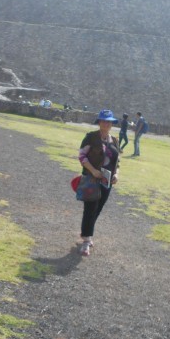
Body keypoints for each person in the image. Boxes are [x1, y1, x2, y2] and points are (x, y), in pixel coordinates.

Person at [77, 109, 121, 256]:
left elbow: (117, 162)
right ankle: (86, 241)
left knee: (98, 208)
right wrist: (93, 171)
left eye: (109, 121)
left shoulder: (114, 140)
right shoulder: (91, 137)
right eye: (103, 120)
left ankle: (86, 232)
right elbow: (82, 156)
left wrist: (116, 174)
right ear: (99, 122)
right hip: (92, 178)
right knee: (90, 208)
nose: (106, 123)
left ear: (112, 123)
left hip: (106, 181)